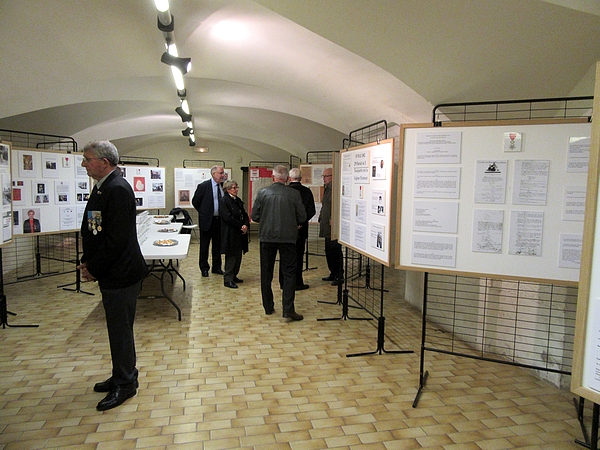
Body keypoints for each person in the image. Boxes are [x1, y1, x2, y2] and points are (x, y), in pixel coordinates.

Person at [76, 140, 149, 411]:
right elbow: (96, 229)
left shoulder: (117, 189)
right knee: (118, 330)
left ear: (104, 163)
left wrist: (94, 268)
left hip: (121, 273)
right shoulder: (104, 186)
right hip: (112, 271)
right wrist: (88, 261)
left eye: (87, 159)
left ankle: (126, 383)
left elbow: (116, 240)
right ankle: (122, 373)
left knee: (120, 331)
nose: (83, 164)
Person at [251, 165, 307, 321]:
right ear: (287, 179)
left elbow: (254, 216)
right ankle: (288, 310)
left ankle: (268, 307)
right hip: (288, 239)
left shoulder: (262, 193)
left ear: (273, 177)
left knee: (266, 272)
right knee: (289, 274)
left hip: (266, 237)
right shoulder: (294, 194)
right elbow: (302, 216)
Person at [192, 166, 226, 277]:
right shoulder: (203, 186)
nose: (222, 175)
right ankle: (204, 268)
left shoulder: (223, 186)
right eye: (220, 173)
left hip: (219, 221)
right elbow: (195, 202)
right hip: (207, 221)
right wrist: (203, 212)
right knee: (204, 246)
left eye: (223, 173)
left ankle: (217, 267)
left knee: (217, 245)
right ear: (213, 174)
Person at [286, 168, 316, 290]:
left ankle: (284, 282)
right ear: (301, 178)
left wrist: (291, 223)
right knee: (298, 257)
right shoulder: (306, 191)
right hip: (301, 230)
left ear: (289, 178)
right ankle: (298, 282)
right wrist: (300, 222)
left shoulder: (285, 191)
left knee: (286, 257)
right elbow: (311, 211)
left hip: (286, 230)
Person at [219, 180, 249, 289]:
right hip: (231, 232)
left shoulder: (237, 200)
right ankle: (228, 279)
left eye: (236, 187)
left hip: (240, 233)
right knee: (231, 256)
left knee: (238, 255)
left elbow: (244, 214)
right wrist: (241, 226)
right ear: (227, 189)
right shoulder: (224, 201)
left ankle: (234, 275)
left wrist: (246, 224)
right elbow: (227, 217)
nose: (236, 190)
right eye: (233, 188)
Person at [319, 167, 343, 286]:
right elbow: (325, 206)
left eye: (326, 176)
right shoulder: (327, 188)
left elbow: (337, 206)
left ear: (333, 176)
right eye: (323, 176)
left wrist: (333, 219)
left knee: (335, 250)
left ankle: (339, 274)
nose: (324, 178)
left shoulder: (335, 188)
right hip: (326, 225)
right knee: (328, 250)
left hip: (332, 226)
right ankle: (333, 273)